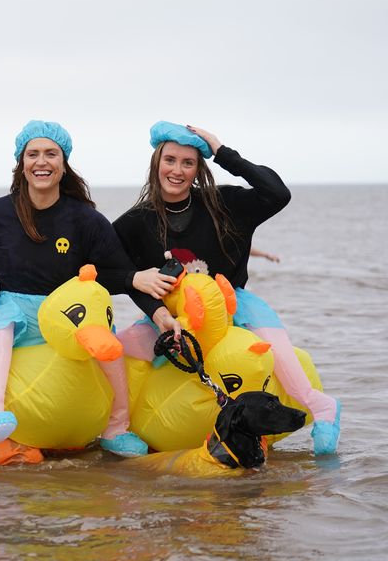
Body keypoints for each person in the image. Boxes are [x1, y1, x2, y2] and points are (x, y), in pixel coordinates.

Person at [0, 120, 180, 464]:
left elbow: (118, 272)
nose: (41, 162)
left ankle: (116, 429)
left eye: (51, 154)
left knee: (108, 344)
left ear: (64, 162)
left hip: (64, 315)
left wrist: (158, 311)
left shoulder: (85, 219)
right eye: (33, 154)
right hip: (12, 309)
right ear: (21, 162)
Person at [112, 121, 340, 455]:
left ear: (198, 168)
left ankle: (322, 409)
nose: (177, 170)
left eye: (188, 163)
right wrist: (153, 306)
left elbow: (278, 194)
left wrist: (221, 151)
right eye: (170, 160)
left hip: (234, 305)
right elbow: (113, 271)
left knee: (277, 351)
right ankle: (116, 428)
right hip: (176, 317)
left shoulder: (224, 204)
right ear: (156, 163)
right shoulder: (135, 222)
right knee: (121, 349)